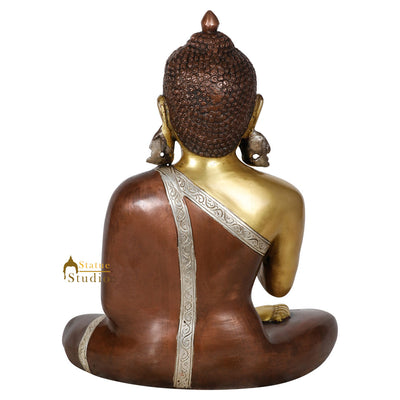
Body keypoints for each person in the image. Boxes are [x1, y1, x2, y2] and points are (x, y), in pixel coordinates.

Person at [63, 11, 337, 389]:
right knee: (322, 323)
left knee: (74, 329)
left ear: (165, 111)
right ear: (254, 111)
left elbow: (116, 309)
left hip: (140, 357)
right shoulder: (283, 199)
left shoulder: (130, 198)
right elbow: (278, 286)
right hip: (240, 354)